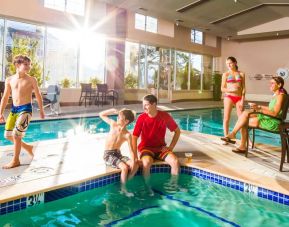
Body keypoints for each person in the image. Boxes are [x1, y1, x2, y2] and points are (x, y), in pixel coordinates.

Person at [0, 55, 45, 169]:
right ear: (17, 65)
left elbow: (38, 95)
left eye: (29, 64)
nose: (28, 67)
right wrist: (0, 113)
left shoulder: (31, 79)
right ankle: (28, 147)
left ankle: (16, 160)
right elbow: (5, 97)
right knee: (7, 135)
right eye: (25, 64)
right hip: (14, 110)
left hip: (26, 109)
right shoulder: (9, 80)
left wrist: (42, 110)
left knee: (16, 135)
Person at [221, 76, 287, 153]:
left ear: (279, 85)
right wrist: (257, 106)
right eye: (270, 83)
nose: (270, 85)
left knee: (244, 122)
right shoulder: (278, 95)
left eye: (272, 83)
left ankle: (238, 141)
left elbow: (275, 113)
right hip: (271, 118)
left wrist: (259, 108)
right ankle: (233, 134)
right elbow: (271, 109)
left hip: (273, 122)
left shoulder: (280, 96)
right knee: (246, 112)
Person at [132, 94, 181, 179]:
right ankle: (147, 189)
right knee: (146, 163)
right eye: (143, 105)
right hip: (146, 148)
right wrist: (135, 156)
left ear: (154, 104)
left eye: (146, 105)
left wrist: (171, 147)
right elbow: (134, 137)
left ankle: (173, 187)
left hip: (161, 148)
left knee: (175, 162)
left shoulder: (164, 116)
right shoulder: (141, 118)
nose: (144, 108)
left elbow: (177, 131)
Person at [100, 108, 138, 195]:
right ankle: (123, 189)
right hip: (108, 155)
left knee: (135, 165)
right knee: (124, 168)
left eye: (120, 117)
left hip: (118, 154)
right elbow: (101, 114)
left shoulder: (127, 135)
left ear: (126, 121)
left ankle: (125, 181)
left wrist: (133, 161)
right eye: (118, 116)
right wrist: (111, 110)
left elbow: (131, 150)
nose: (117, 118)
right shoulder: (113, 124)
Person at [221, 56, 246, 144]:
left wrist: (243, 100)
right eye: (227, 64)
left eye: (230, 63)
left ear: (235, 62)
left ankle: (246, 140)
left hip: (239, 98)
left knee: (242, 118)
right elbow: (222, 88)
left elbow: (243, 88)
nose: (229, 65)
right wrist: (230, 90)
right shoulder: (226, 74)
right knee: (226, 118)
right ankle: (226, 137)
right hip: (229, 97)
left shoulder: (242, 74)